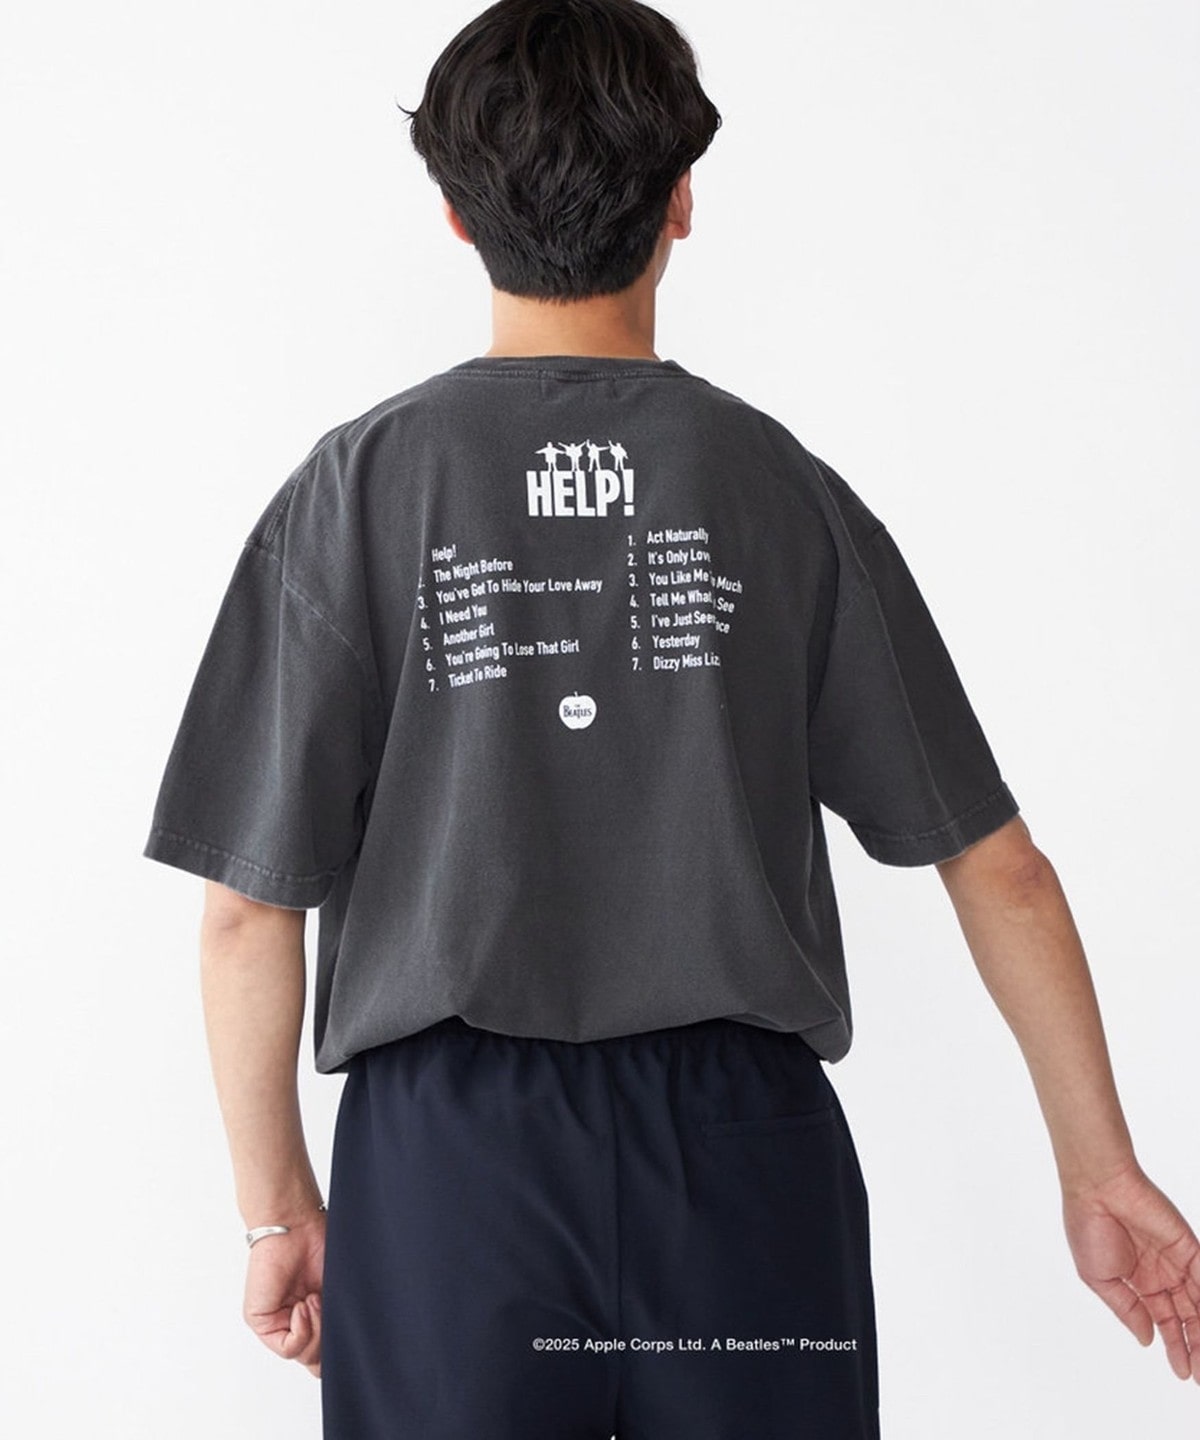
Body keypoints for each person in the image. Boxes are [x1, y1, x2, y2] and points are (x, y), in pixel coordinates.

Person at [142, 1, 1200, 1435]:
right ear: (681, 201)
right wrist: (1099, 1168)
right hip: (743, 1157)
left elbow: (245, 912)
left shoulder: (355, 491)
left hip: (449, 1172)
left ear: (454, 214)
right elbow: (995, 864)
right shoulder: (781, 490)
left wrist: (279, 1212)